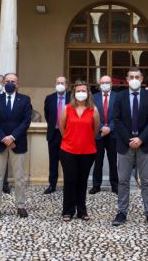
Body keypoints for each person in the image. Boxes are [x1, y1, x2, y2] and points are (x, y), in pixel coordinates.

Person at [112, 67, 148, 228]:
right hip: (125, 145)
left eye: (136, 77)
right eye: (131, 77)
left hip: (145, 144)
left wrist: (141, 139)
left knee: (147, 181)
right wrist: (129, 139)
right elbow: (117, 119)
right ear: (126, 79)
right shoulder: (119, 96)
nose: (134, 79)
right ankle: (122, 212)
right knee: (123, 180)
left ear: (142, 79)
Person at [0, 73, 33, 219]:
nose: (10, 83)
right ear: (3, 83)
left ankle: (20, 206)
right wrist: (4, 138)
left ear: (17, 84)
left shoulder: (25, 100)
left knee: (19, 177)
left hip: (17, 143)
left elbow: (26, 122)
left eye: (13, 81)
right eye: (7, 81)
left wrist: (12, 137)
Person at [59, 81, 100, 221]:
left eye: (84, 91)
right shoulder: (67, 108)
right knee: (70, 180)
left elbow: (95, 130)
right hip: (68, 150)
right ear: (74, 93)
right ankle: (68, 210)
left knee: (82, 181)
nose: (81, 93)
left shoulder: (93, 110)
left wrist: (84, 139)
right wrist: (71, 139)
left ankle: (81, 210)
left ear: (88, 93)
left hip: (87, 151)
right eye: (78, 91)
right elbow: (62, 128)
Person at [90, 75, 118, 194]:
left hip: (113, 134)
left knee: (113, 161)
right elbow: (91, 114)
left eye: (107, 82)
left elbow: (119, 115)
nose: (105, 85)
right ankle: (96, 185)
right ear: (99, 85)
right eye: (103, 83)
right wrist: (101, 127)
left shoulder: (117, 97)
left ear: (111, 84)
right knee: (98, 161)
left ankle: (115, 185)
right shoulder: (94, 97)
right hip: (98, 134)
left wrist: (110, 128)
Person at [43, 76, 70, 194]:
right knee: (53, 161)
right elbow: (47, 115)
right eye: (58, 83)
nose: (60, 85)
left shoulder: (72, 98)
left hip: (68, 135)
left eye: (62, 83)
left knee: (68, 161)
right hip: (53, 134)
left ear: (66, 85)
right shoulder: (49, 98)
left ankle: (68, 185)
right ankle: (52, 185)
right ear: (55, 84)